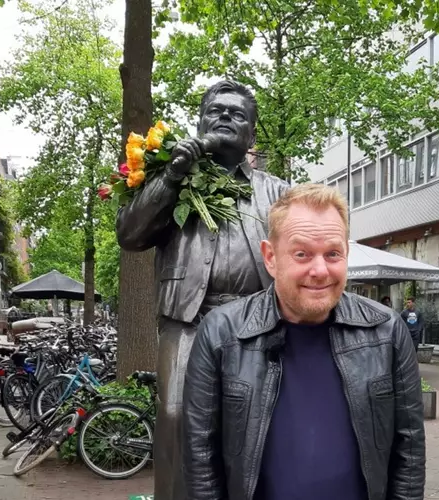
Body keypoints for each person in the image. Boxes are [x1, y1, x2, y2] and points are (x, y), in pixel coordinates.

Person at [182, 183, 425, 500]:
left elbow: (409, 452)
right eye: (302, 254)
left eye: (333, 254)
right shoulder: (221, 333)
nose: (320, 270)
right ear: (270, 257)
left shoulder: (387, 332)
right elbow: (201, 460)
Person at [115, 81, 290, 500]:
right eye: (217, 110)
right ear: (199, 120)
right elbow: (130, 235)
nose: (227, 117)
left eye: (238, 113)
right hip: (188, 321)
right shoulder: (169, 176)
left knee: (254, 421)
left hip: (255, 324)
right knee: (175, 415)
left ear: (251, 134)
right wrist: (174, 174)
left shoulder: (277, 191)